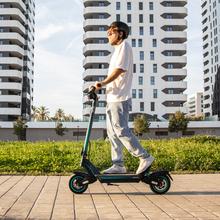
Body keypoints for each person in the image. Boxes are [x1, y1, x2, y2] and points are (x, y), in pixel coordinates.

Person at [94, 21, 154, 175]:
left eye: (111, 32)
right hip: (112, 98)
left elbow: (120, 70)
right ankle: (118, 165)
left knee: (121, 131)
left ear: (120, 33)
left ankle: (144, 157)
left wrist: (102, 83)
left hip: (120, 98)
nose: (108, 35)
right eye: (107, 33)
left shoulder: (124, 47)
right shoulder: (117, 51)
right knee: (112, 133)